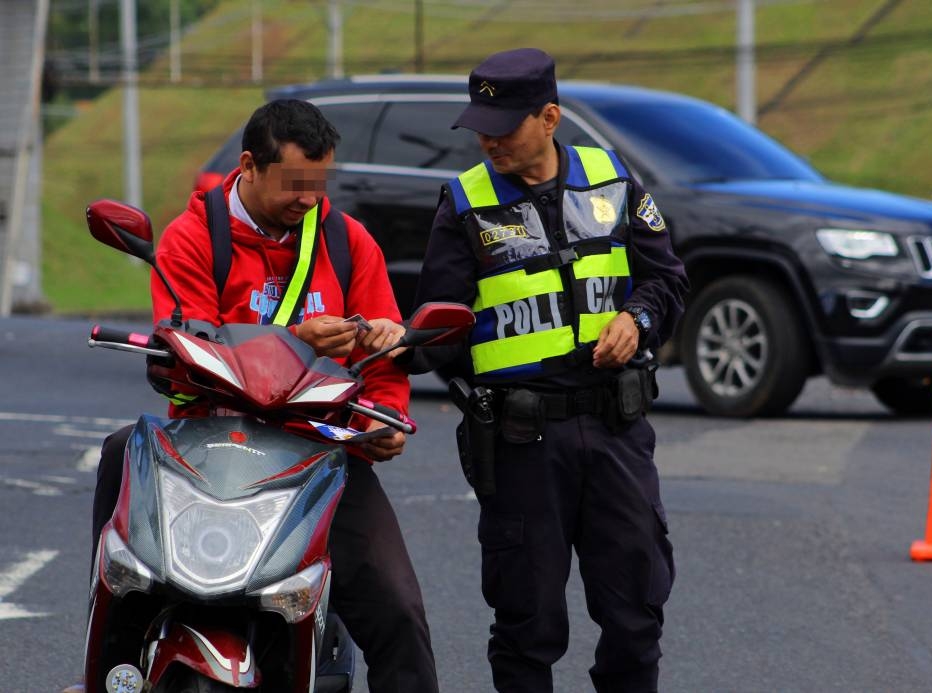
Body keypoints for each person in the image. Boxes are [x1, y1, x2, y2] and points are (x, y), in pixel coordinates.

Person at [75, 99, 438, 693]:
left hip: (318, 453)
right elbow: (186, 347)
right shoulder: (192, 238)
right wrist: (297, 338)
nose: (307, 200)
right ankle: (105, 670)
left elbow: (383, 358)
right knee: (122, 462)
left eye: (318, 186)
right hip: (204, 447)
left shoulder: (348, 243)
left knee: (398, 612)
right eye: (293, 185)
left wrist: (387, 416)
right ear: (247, 165)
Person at [402, 48, 689, 693]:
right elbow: (438, 324)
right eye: (480, 126)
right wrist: (393, 343)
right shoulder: (465, 203)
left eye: (503, 126)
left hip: (616, 430)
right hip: (522, 441)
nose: (488, 139)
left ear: (550, 117)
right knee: (528, 624)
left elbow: (666, 280)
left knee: (636, 614)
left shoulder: (612, 178)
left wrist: (637, 319)